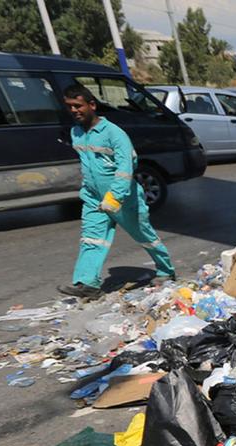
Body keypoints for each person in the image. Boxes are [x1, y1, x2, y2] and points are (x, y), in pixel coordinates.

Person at [58, 84, 175, 299]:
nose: (74, 110)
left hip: (123, 198)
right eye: (70, 107)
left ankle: (165, 270)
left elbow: (125, 169)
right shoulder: (76, 132)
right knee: (91, 239)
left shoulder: (114, 134)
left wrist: (115, 196)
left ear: (92, 105)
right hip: (94, 198)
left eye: (78, 105)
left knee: (143, 234)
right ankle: (88, 284)